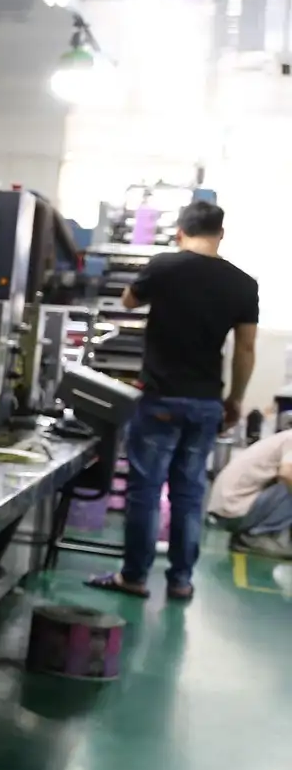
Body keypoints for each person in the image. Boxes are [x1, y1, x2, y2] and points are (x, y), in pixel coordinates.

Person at [88, 199, 258, 601]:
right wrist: (234, 400)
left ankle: (134, 576)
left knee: (146, 490)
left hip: (161, 398)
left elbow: (128, 301)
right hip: (205, 402)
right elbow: (247, 349)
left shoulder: (165, 266)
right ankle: (181, 580)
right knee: (189, 492)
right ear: (221, 235)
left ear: (180, 232)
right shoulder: (243, 283)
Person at [210, 430, 292, 558]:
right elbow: (286, 474)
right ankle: (255, 537)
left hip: (230, 507)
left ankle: (249, 536)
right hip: (234, 508)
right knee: (288, 486)